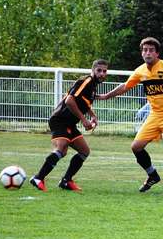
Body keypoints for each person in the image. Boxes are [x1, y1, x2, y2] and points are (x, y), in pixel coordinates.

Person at [97, 37, 163, 195]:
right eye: (145, 50)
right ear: (141, 53)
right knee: (136, 147)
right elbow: (125, 86)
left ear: (157, 53)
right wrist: (106, 96)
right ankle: (152, 175)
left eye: (151, 50)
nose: (148, 53)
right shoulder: (140, 71)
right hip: (155, 115)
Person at [30, 59, 109, 192]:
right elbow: (70, 100)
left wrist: (93, 115)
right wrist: (84, 120)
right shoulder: (86, 81)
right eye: (99, 70)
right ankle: (38, 178)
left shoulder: (92, 86)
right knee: (62, 148)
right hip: (60, 119)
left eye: (104, 71)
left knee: (84, 151)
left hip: (70, 123)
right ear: (93, 70)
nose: (102, 73)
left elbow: (84, 102)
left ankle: (66, 181)